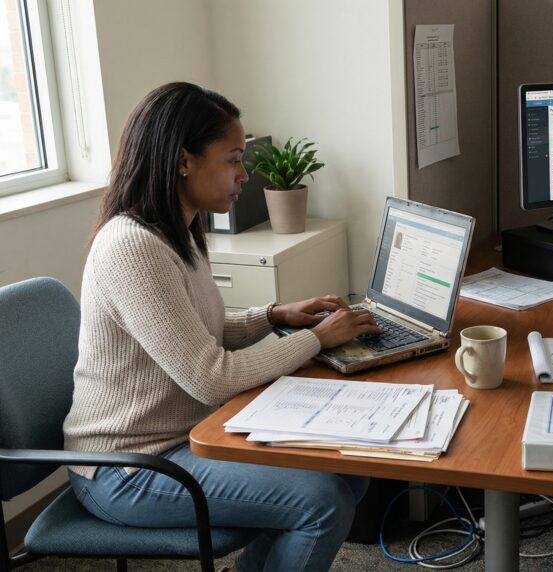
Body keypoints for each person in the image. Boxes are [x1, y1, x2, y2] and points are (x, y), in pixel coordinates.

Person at [63, 82, 381, 572]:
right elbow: (209, 375)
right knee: (322, 501)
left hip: (185, 437)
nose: (244, 174)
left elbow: (196, 331)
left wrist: (275, 316)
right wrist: (316, 338)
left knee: (346, 468)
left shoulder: (178, 230)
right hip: (125, 469)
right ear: (183, 160)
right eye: (233, 159)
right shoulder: (132, 246)